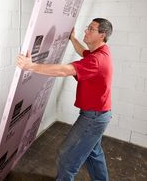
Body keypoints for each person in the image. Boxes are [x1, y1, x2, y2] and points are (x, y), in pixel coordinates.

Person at [17, 18, 113, 181]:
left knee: (67, 157)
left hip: (93, 118)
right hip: (99, 114)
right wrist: (72, 38)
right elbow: (83, 51)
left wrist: (30, 66)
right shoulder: (100, 52)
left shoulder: (96, 60)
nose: (86, 31)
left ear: (102, 35)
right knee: (93, 153)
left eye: (91, 29)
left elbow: (64, 70)